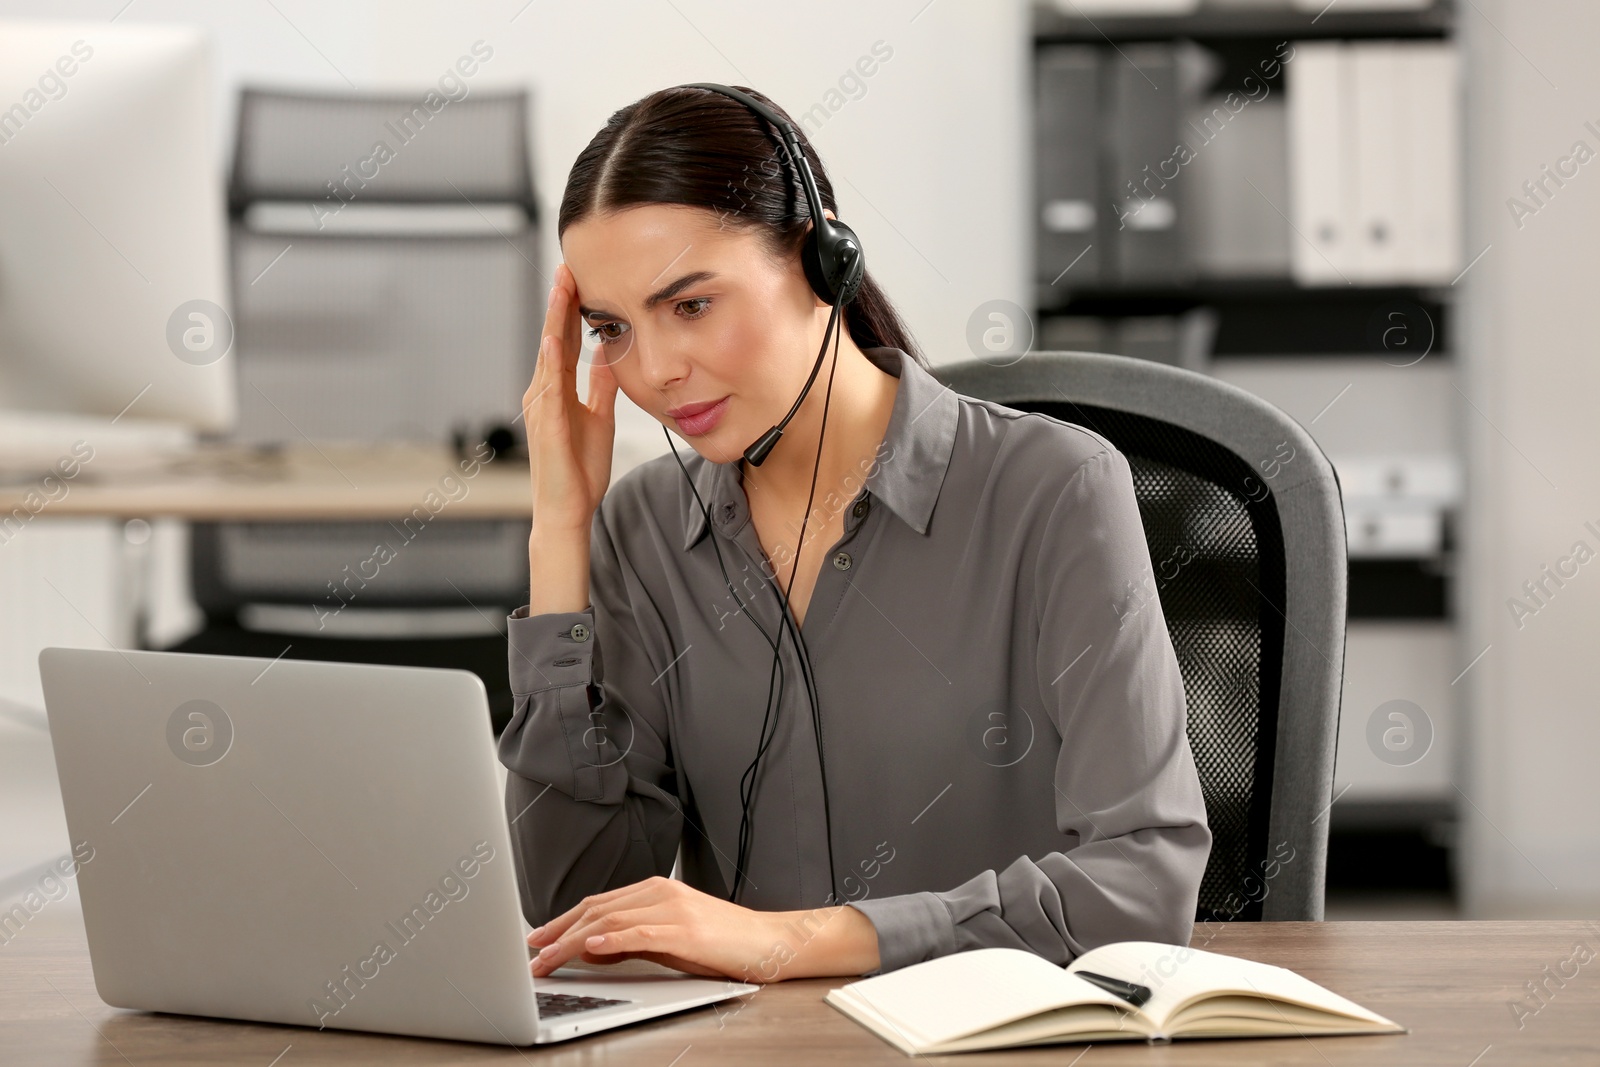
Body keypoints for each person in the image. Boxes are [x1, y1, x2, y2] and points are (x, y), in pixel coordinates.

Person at [499, 84, 1211, 985]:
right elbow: (576, 908)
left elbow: (1144, 882)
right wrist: (561, 531)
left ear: (821, 258)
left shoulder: (1056, 491)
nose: (658, 371)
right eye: (613, 329)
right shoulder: (642, 531)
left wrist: (790, 941)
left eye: (690, 306)